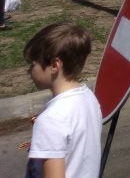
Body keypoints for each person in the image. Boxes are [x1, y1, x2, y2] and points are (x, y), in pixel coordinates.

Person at [23, 22, 102, 178]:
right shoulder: (88, 98)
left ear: (54, 65)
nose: (29, 71)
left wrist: (46, 128)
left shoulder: (51, 120)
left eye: (33, 65)